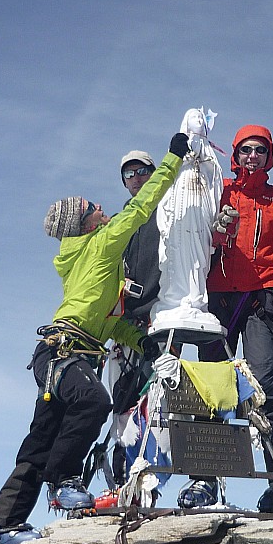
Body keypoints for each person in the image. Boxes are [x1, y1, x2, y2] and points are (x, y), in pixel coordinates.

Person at [0, 132, 189, 544]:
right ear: (85, 223)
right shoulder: (102, 243)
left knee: (40, 442)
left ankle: (5, 525)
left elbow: (109, 322)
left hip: (59, 355)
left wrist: (142, 342)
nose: (100, 207)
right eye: (91, 208)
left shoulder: (86, 260)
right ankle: (65, 481)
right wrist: (172, 159)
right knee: (95, 402)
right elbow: (141, 206)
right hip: (66, 353)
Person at [178, 125, 273, 513]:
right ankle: (204, 480)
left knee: (265, 383)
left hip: (260, 296)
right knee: (211, 384)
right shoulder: (219, 189)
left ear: (270, 157)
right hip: (216, 296)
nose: (252, 156)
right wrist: (216, 235)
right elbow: (193, 234)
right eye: (246, 150)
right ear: (234, 153)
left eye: (260, 151)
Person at [104, 150, 161, 488]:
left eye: (142, 171)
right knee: (123, 396)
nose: (137, 178)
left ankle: (151, 475)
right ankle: (123, 480)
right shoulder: (120, 220)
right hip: (126, 319)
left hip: (160, 312)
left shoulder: (169, 211)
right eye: (129, 174)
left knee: (156, 397)